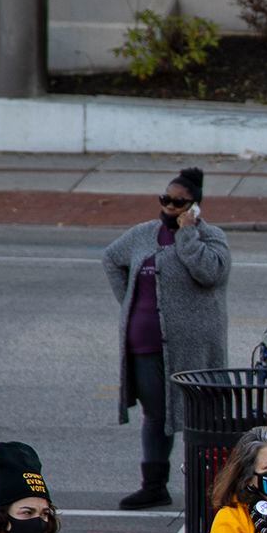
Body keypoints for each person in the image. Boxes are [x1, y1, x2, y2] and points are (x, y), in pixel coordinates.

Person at [101, 167, 230, 511]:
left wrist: (187, 236)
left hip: (192, 347)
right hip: (144, 346)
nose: (170, 206)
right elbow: (111, 259)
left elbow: (211, 273)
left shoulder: (211, 236)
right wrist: (129, 302)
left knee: (199, 416)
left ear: (195, 206)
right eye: (166, 200)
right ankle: (154, 485)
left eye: (179, 202)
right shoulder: (142, 235)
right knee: (156, 416)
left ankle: (211, 487)